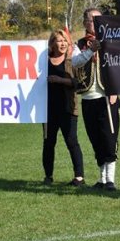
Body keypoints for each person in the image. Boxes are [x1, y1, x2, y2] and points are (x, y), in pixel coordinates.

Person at [73, 8, 120, 191]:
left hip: (107, 95)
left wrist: (115, 89)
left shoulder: (112, 40)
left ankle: (110, 179)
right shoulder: (80, 44)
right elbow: (75, 62)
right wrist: (90, 51)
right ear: (86, 23)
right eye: (93, 20)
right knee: (95, 139)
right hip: (88, 96)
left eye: (99, 19)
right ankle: (101, 179)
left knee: (109, 138)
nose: (96, 23)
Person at [42, 30, 85, 187]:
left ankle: (79, 177)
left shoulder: (72, 61)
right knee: (48, 143)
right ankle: (48, 176)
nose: (62, 44)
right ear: (52, 43)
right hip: (47, 110)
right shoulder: (43, 61)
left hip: (68, 108)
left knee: (72, 141)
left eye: (65, 41)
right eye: (59, 40)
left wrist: (60, 80)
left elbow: (79, 83)